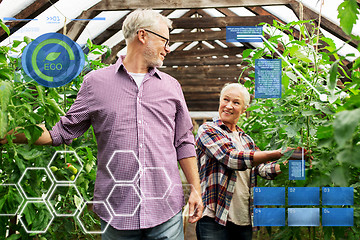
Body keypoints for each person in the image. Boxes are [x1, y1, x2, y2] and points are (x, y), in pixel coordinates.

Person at [0, 9, 203, 240]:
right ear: (143, 35)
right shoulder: (95, 83)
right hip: (117, 210)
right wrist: (8, 133)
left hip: (165, 209)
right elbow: (62, 131)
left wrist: (196, 189)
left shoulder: (171, 86)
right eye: (165, 40)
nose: (168, 48)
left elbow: (184, 141)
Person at [195, 83, 308, 240]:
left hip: (243, 219)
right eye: (225, 100)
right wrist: (278, 153)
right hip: (216, 218)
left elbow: (263, 170)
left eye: (236, 102)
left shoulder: (246, 140)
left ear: (244, 109)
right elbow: (231, 158)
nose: (228, 106)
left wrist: (290, 160)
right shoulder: (208, 130)